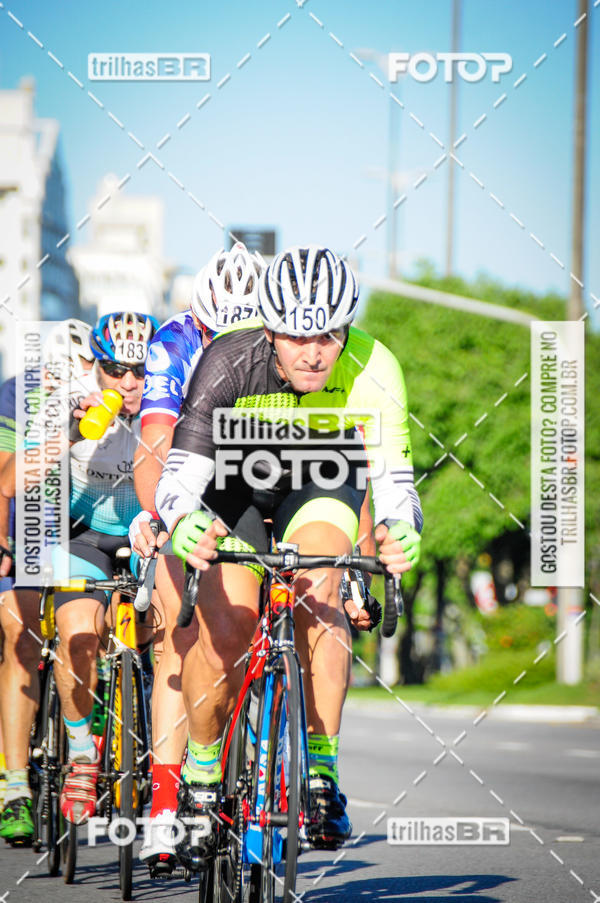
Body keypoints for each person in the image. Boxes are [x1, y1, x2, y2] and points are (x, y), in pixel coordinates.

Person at [153, 246, 423, 868]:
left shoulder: (376, 365)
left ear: (346, 329)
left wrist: (402, 528)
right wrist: (182, 520)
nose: (313, 353)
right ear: (269, 330)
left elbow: (395, 478)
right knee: (229, 625)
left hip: (321, 476)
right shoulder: (229, 359)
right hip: (234, 483)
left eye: (328, 335)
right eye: (297, 336)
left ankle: (321, 773)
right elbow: (180, 472)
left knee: (321, 585)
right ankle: (201, 775)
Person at [130, 243, 264, 873]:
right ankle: (163, 807)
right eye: (218, 334)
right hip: (188, 481)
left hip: (260, 482)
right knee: (178, 643)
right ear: (200, 321)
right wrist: (163, 516)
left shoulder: (286, 346)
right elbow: (155, 443)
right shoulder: (175, 343)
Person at [0, 311, 158, 826]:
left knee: (170, 637)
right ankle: (83, 753)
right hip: (82, 532)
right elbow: (10, 483)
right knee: (77, 636)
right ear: (95, 366)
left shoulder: (167, 402)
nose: (128, 382)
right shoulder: (66, 400)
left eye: (140, 370)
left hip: (147, 530)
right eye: (116, 370)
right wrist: (68, 431)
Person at [0, 319, 94, 845]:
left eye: (81, 369)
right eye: (58, 371)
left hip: (79, 528)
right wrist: (3, 544)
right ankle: (15, 787)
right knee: (21, 631)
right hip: (27, 525)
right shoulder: (18, 394)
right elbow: (4, 479)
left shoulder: (107, 396)